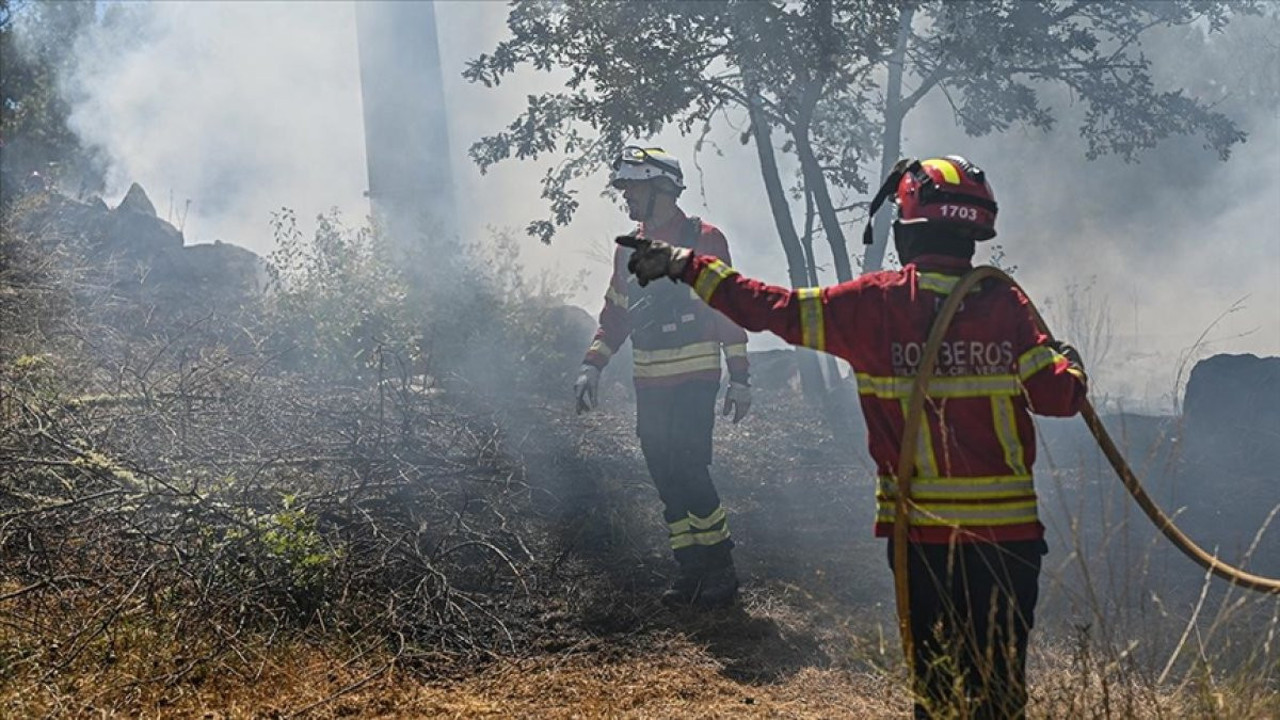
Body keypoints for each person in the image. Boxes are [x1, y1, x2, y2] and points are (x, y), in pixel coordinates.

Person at [622, 155, 1087, 718]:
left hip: (922, 541)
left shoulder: (875, 304)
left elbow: (770, 307)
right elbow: (1059, 398)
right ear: (974, 234)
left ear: (906, 230)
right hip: (1008, 542)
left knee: (936, 692)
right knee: (998, 693)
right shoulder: (1005, 303)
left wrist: (685, 265)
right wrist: (1071, 363)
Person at [574, 146, 752, 610]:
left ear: (661, 188)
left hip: (696, 377)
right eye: (626, 190)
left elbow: (728, 308)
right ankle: (690, 569)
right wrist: (592, 365)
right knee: (664, 473)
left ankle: (720, 567)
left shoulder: (704, 239)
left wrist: (740, 377)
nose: (626, 198)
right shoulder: (627, 250)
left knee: (689, 467)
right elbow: (616, 313)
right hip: (650, 382)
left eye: (633, 188)